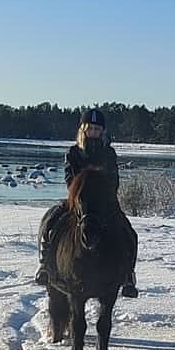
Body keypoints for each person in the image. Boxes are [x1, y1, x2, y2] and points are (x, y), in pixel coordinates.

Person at [33, 109, 138, 298]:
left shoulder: (108, 153)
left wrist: (104, 195)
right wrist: (78, 194)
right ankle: (46, 265)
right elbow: (69, 177)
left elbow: (114, 179)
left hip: (104, 203)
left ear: (102, 131)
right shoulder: (74, 152)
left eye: (97, 129)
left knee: (130, 233)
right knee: (51, 221)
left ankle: (128, 275)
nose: (94, 132)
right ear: (83, 129)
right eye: (90, 128)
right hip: (79, 201)